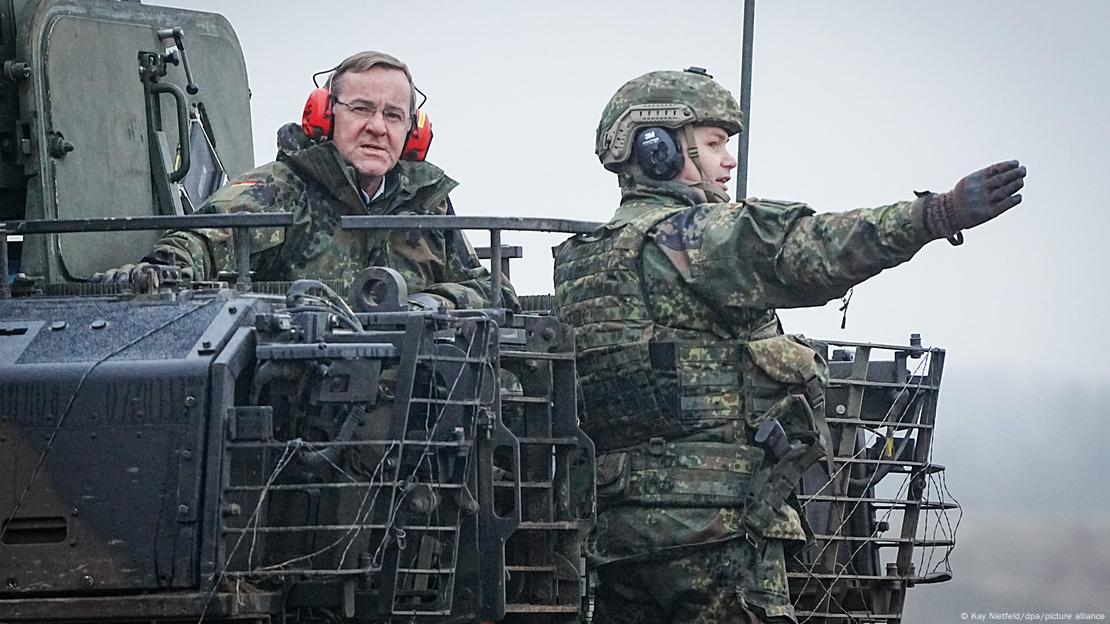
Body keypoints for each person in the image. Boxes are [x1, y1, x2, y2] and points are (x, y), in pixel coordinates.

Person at [553, 67, 1024, 624]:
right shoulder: (693, 237)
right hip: (715, 531)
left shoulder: (581, 260)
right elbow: (810, 251)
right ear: (656, 149)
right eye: (713, 144)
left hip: (617, 534)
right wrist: (933, 215)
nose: (728, 162)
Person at [99, 50, 516, 310]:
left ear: (413, 130)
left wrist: (428, 305)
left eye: (393, 115)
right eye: (360, 109)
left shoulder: (426, 203)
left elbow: (489, 288)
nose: (376, 127)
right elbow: (203, 242)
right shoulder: (280, 189)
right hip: (305, 404)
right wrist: (157, 272)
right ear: (325, 115)